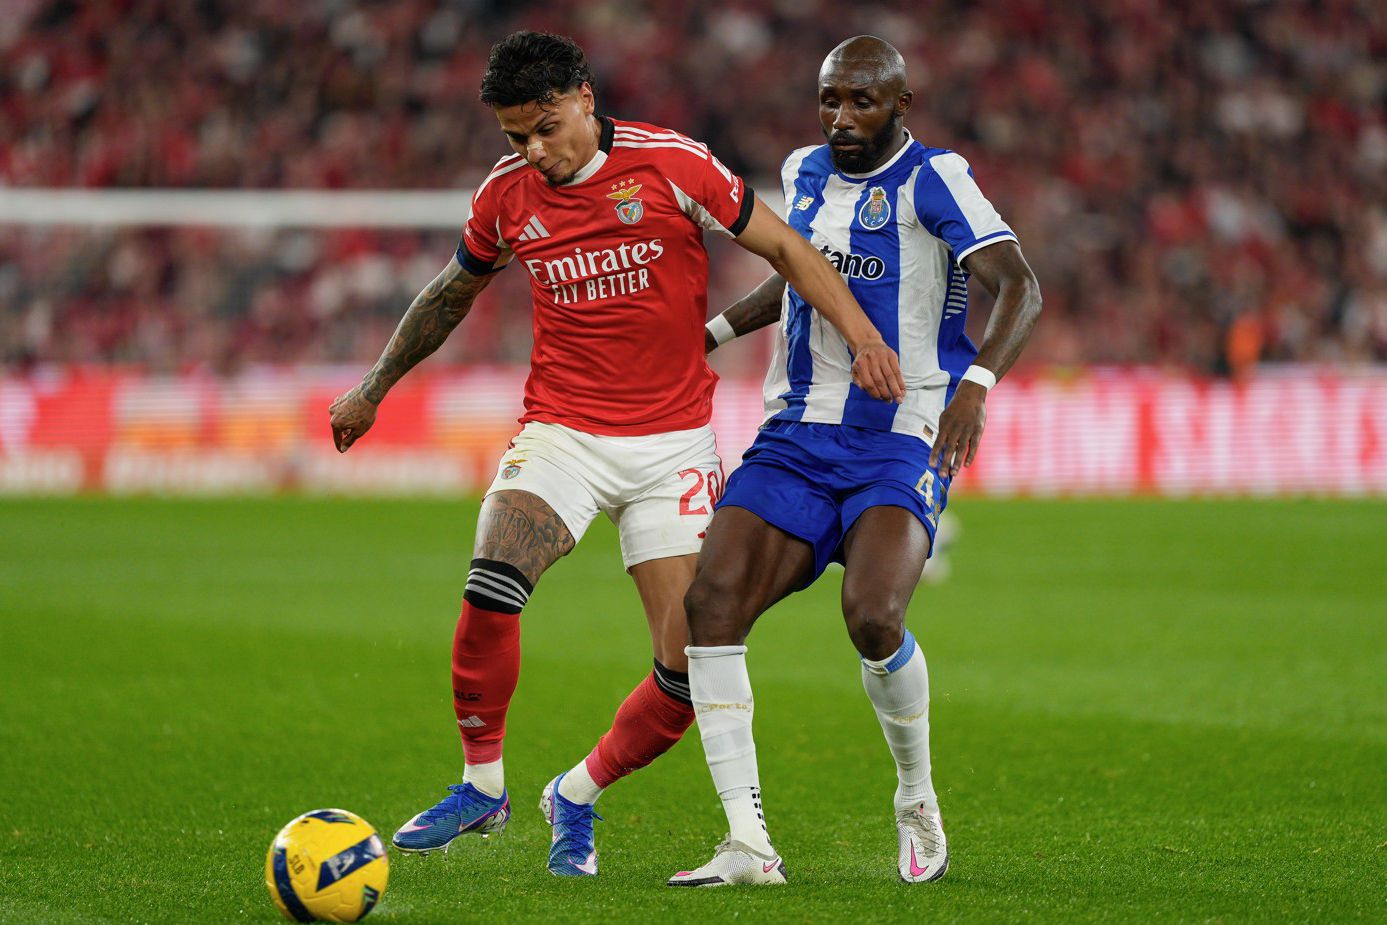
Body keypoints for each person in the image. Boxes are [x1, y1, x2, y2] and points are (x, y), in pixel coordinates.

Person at [327, 31, 904, 878]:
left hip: (673, 445)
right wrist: (374, 386)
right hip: (562, 429)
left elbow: (784, 248)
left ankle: (577, 791)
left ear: (586, 99)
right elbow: (451, 292)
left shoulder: (672, 163)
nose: (533, 150)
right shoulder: (505, 196)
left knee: (686, 667)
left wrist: (858, 335)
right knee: (492, 577)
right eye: (514, 136)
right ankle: (482, 784)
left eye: (545, 126)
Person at [669, 36, 1042, 887]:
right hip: (797, 431)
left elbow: (1020, 284)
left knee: (873, 615)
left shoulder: (934, 178)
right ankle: (746, 842)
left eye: (862, 101)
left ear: (900, 105)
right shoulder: (803, 169)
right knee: (711, 599)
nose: (842, 117)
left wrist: (974, 384)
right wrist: (712, 334)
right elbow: (796, 276)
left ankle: (916, 795)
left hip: (902, 431)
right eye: (831, 99)